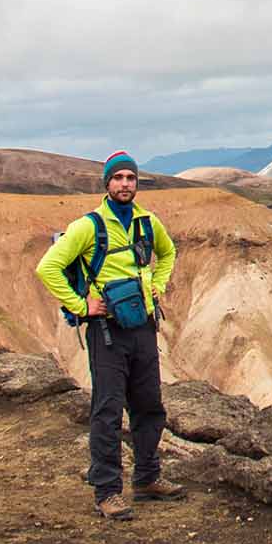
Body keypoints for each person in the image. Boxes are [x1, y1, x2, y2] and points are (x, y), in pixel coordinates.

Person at [35, 151, 183, 520]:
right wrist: (81, 306)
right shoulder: (89, 226)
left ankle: (147, 478)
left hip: (143, 327)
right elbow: (48, 267)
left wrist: (158, 286)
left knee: (149, 406)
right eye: (118, 178)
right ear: (107, 183)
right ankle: (107, 492)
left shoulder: (147, 222)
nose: (125, 184)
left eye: (130, 178)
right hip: (107, 333)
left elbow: (167, 253)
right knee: (108, 410)